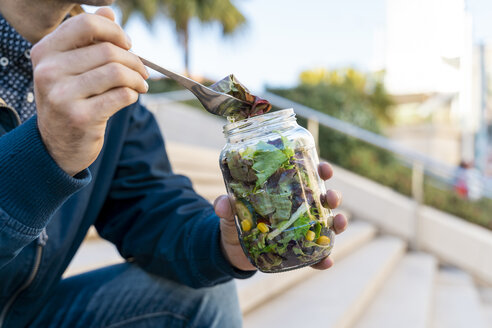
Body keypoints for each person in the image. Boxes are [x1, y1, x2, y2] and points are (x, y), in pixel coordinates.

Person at [0, 1, 348, 327]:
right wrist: (47, 151)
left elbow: (146, 203)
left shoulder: (97, 69)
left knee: (207, 291)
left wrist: (223, 244)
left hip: (26, 312)